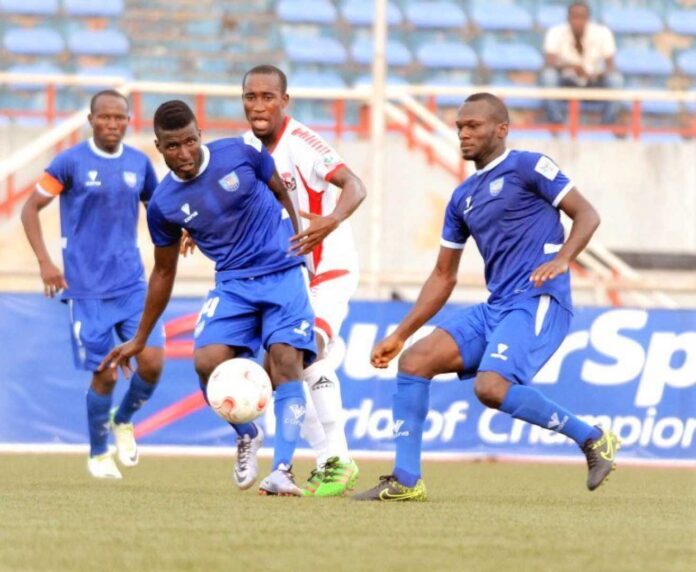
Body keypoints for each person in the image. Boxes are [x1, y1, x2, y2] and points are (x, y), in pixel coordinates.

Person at [353, 93, 620, 502]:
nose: (463, 133)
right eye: (459, 126)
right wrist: (402, 333)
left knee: (491, 387)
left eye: (473, 125)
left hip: (537, 299)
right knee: (414, 362)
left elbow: (587, 214)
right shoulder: (462, 198)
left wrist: (565, 258)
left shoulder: (529, 166)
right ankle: (406, 480)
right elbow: (444, 275)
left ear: (501, 129)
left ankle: (593, 438)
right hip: (496, 307)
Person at [100, 100, 317, 496]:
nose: (183, 155)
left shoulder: (239, 152)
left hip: (281, 270)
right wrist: (141, 337)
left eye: (189, 142)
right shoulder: (163, 205)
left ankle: (282, 470)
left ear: (200, 134)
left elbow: (283, 192)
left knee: (286, 359)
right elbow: (164, 272)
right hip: (233, 283)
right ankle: (247, 434)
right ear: (158, 146)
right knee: (207, 363)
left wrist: (301, 245)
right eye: (172, 147)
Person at [21, 89, 165, 480]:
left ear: (128, 121)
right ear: (91, 120)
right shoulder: (70, 162)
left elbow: (157, 206)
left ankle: (125, 418)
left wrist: (181, 231)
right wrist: (45, 262)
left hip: (132, 284)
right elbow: (30, 207)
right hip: (86, 290)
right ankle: (99, 453)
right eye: (105, 118)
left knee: (152, 363)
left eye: (119, 118)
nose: (112, 124)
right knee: (105, 373)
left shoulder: (139, 163)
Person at [238, 64, 366, 497]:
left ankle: (338, 458)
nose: (259, 105)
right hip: (289, 273)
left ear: (284, 101)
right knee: (280, 366)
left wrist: (330, 220)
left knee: (306, 353)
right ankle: (329, 459)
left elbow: (355, 186)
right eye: (251, 97)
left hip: (329, 264)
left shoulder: (303, 142)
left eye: (268, 97)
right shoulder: (244, 149)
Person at [541, 1, 623, 125]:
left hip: (593, 81)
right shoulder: (556, 32)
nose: (577, 21)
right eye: (574, 17)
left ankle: (607, 123)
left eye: (581, 17)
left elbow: (611, 66)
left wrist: (596, 74)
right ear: (568, 18)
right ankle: (557, 122)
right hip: (566, 82)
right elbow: (549, 63)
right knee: (548, 76)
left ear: (588, 18)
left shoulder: (602, 33)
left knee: (616, 79)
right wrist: (572, 67)